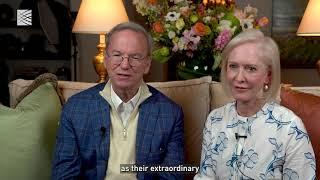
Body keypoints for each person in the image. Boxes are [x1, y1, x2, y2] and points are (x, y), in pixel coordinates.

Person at [52, 22, 184, 180]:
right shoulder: (74, 108)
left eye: (135, 57)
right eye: (117, 55)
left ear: (147, 64)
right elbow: (64, 175)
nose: (125, 64)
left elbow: (172, 175)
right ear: (106, 60)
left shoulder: (170, 113)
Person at [194, 29, 316, 179]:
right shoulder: (215, 119)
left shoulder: (290, 127)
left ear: (268, 76)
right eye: (233, 66)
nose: (239, 77)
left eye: (250, 68)